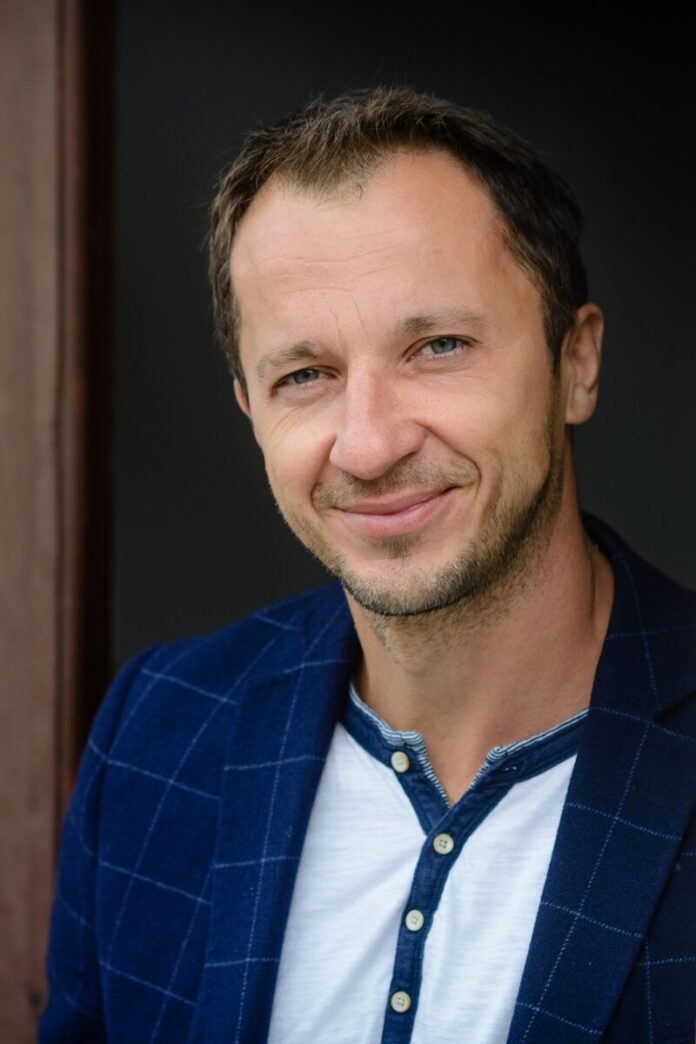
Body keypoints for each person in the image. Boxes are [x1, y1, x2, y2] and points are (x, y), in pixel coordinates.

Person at [40, 87, 695, 1043]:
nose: (369, 444)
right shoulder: (157, 734)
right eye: (305, 375)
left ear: (577, 362)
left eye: (438, 347)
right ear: (249, 407)